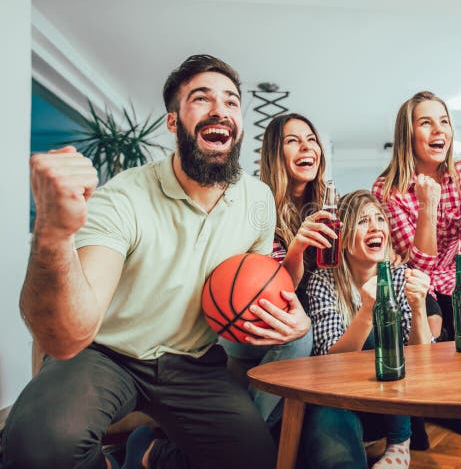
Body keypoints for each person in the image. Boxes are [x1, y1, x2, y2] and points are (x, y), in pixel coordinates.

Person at [1, 55, 310, 469]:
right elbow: (68, 334)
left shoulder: (257, 200)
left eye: (232, 101)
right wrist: (53, 233)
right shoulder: (123, 197)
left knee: (254, 459)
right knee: (36, 448)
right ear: (172, 123)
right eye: (202, 98)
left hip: (195, 362)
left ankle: (150, 453)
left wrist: (294, 322)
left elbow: (254, 288)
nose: (220, 109)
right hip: (108, 354)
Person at [372, 91, 461, 441]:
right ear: (407, 135)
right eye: (426, 122)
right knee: (425, 322)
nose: (439, 130)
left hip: (450, 275)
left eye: (444, 121)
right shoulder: (387, 188)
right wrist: (428, 204)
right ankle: (415, 414)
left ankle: (450, 407)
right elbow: (418, 264)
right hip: (409, 278)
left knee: (460, 333)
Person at [220, 112, 336, 426]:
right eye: (293, 142)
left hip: (293, 316)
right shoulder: (259, 204)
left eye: (312, 140)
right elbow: (273, 292)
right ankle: (243, 445)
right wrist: (297, 247)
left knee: (306, 332)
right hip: (248, 315)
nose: (307, 148)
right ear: (276, 154)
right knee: (300, 336)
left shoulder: (328, 204)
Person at [302, 190, 433, 469]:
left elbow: (423, 361)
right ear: (344, 238)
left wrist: (419, 307)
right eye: (363, 221)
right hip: (339, 402)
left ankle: (400, 444)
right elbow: (327, 363)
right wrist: (366, 313)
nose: (376, 227)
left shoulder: (399, 277)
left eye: (380, 219)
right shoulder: (322, 281)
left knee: (385, 328)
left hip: (390, 408)